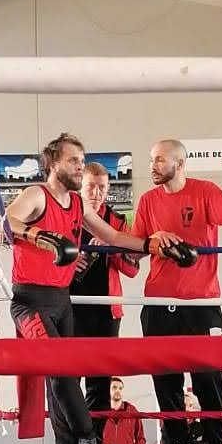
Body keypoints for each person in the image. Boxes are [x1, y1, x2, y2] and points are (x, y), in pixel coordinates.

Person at [4, 134, 177, 444]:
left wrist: (151, 244)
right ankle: (87, 440)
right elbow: (9, 220)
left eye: (82, 162)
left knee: (61, 378)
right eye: (73, 161)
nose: (79, 167)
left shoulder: (77, 204)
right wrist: (41, 237)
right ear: (53, 163)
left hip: (61, 301)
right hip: (30, 301)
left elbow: (113, 237)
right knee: (60, 371)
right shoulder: (37, 194)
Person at [132, 138, 222, 444]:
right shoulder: (147, 200)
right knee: (165, 381)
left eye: (159, 160)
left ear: (180, 163)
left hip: (202, 303)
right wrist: (147, 241)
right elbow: (136, 247)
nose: (153, 166)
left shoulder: (205, 191)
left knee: (209, 378)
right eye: (151, 159)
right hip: (158, 303)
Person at [72, 161, 140, 424]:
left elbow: (132, 270)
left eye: (102, 187)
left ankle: (95, 442)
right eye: (91, 186)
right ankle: (71, 441)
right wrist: (69, 261)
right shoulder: (67, 217)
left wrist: (112, 247)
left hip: (106, 312)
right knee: (68, 379)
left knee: (100, 382)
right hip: (70, 308)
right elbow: (47, 260)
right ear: (80, 186)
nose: (96, 193)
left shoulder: (117, 222)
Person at [99, 377, 147, 444]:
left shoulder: (132, 411)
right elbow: (90, 439)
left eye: (120, 388)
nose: (118, 391)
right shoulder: (99, 411)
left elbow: (141, 440)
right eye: (114, 387)